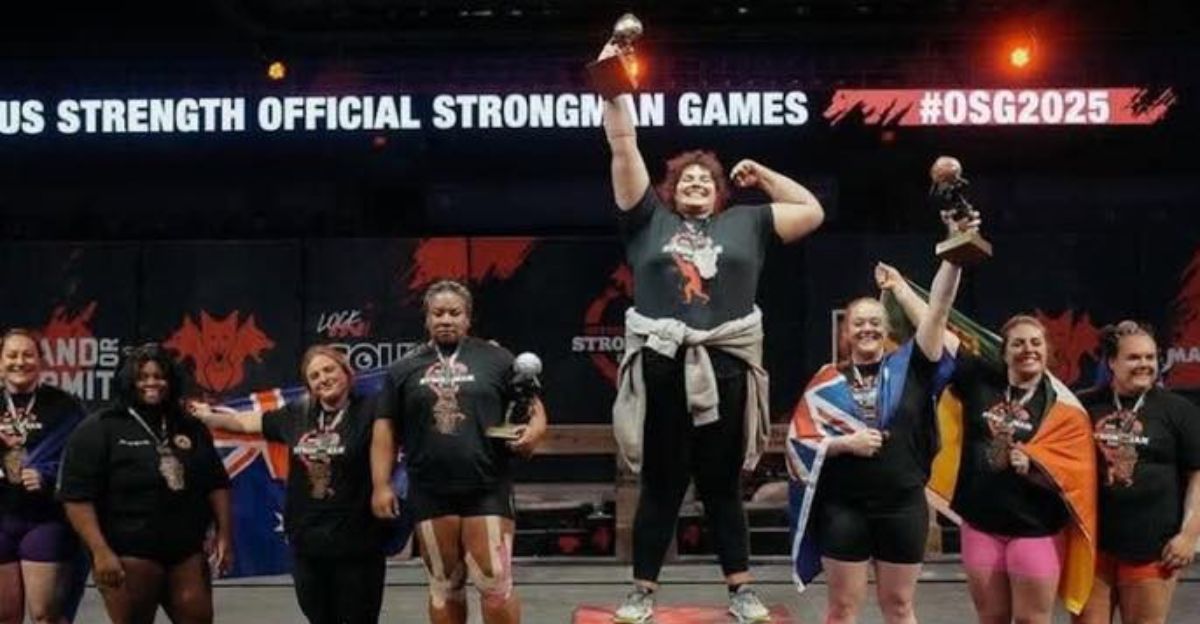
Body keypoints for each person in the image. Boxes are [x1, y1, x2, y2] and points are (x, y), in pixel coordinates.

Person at [597, 43, 825, 624]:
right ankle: (642, 592)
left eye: (707, 178)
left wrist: (763, 175)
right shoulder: (647, 220)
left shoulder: (746, 222)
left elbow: (811, 210)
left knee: (722, 485)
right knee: (660, 484)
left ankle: (741, 590)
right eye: (686, 178)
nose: (696, 182)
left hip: (725, 368)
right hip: (662, 367)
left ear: (721, 191)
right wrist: (612, 78)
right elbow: (622, 142)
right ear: (670, 188)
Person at [789, 223, 968, 624]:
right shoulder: (826, 382)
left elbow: (939, 310)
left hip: (902, 507)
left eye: (875, 321)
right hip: (844, 509)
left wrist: (953, 256)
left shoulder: (912, 367)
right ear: (846, 331)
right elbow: (798, 443)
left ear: (887, 329)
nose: (867, 328)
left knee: (900, 607)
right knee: (842, 609)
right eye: (858, 322)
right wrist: (844, 444)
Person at [370, 280, 548, 624]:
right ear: (427, 319)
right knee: (444, 584)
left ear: (468, 318)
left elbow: (532, 406)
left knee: (495, 580)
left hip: (487, 486)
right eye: (438, 313)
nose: (446, 320)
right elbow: (384, 428)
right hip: (430, 489)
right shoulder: (404, 368)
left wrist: (534, 433)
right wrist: (381, 485)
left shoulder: (497, 358)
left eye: (454, 313)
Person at [189, 345, 388, 624]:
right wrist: (209, 417)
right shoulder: (298, 414)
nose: (323, 378)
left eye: (329, 370)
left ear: (347, 372)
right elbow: (247, 423)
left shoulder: (373, 411)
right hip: (308, 543)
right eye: (315, 376)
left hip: (358, 543)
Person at [928, 312, 1097, 624]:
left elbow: (1076, 477)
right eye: (1018, 344)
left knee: (1031, 620)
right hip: (981, 525)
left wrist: (1036, 465)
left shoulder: (1063, 407)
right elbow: (939, 330)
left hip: (1036, 528)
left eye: (1035, 343)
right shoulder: (981, 381)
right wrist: (901, 290)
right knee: (991, 617)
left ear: (1047, 351)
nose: (1028, 349)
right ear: (1004, 352)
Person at [57, 343, 232, 624]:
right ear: (128, 381)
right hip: (128, 552)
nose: (152, 383)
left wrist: (224, 535)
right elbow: (76, 498)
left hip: (186, 550)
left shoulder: (190, 426)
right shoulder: (99, 427)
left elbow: (216, 483)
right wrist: (100, 552)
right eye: (142, 377)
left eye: (159, 376)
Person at [1074, 321, 1200, 624]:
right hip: (1092, 547)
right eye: (1133, 357)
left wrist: (1189, 536)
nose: (1144, 364)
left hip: (1153, 548)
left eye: (1150, 357)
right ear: (1111, 362)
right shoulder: (1083, 405)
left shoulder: (1178, 410)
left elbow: (1198, 475)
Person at [0, 329, 87, 624]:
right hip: (1, 519)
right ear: (0, 362)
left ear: (41, 361)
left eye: (28, 355)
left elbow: (83, 462)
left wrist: (48, 476)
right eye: (11, 355)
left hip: (45, 519)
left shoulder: (65, 406)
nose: (19, 362)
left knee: (45, 616)